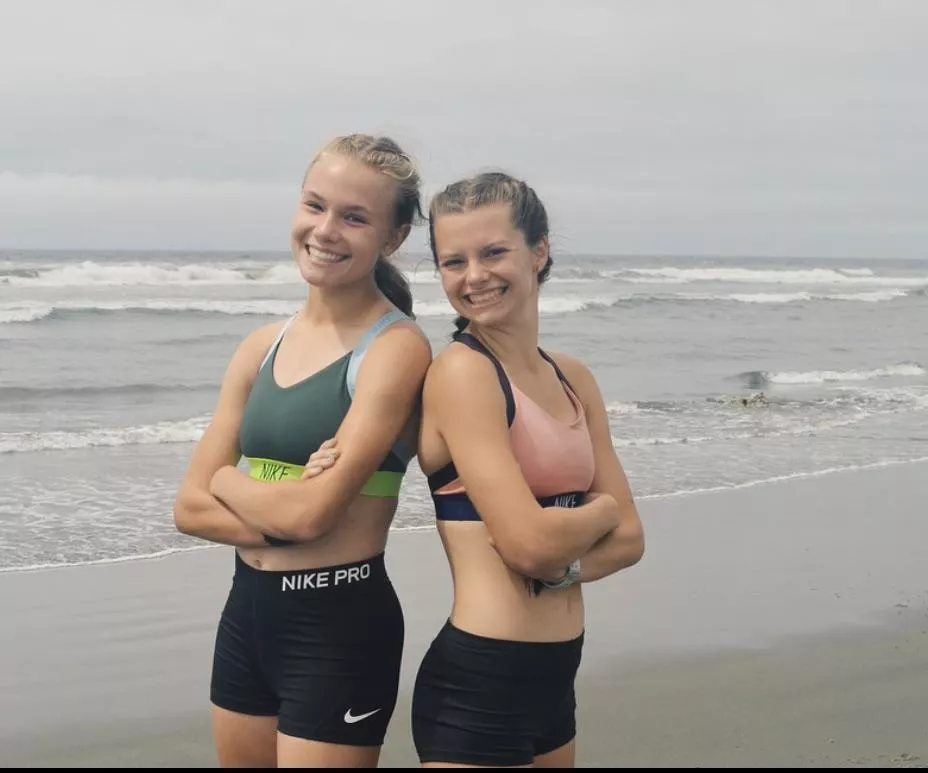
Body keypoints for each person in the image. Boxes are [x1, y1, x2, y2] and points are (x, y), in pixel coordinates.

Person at [172, 133, 432, 769]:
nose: (325, 230)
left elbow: (308, 519)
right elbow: (187, 508)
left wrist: (229, 483)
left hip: (337, 625)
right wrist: (282, 506)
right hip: (246, 618)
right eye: (315, 206)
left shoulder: (395, 350)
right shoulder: (261, 345)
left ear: (393, 237)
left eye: (354, 216)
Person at [410, 171, 646, 768]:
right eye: (452, 261)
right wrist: (603, 511)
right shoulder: (464, 373)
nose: (474, 277)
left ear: (539, 251)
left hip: (555, 677)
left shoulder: (572, 377)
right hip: (481, 682)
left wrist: (565, 558)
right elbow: (528, 546)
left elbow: (631, 543)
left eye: (493, 252)